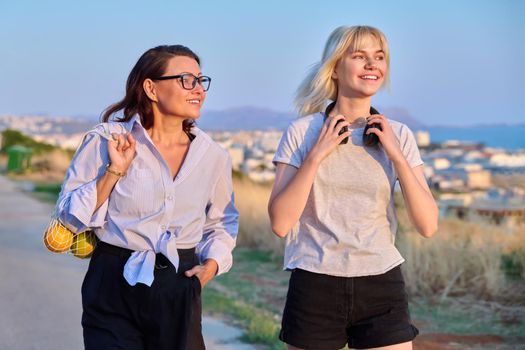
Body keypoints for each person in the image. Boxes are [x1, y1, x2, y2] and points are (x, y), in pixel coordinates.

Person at [55, 45, 239, 350]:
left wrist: (213, 265)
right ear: (151, 88)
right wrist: (114, 171)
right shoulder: (107, 139)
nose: (198, 90)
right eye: (186, 80)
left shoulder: (213, 156)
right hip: (113, 279)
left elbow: (222, 222)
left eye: (200, 80)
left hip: (179, 282)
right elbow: (68, 217)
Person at [268, 26, 438, 350]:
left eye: (379, 57)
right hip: (315, 281)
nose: (372, 65)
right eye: (359, 56)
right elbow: (279, 223)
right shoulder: (302, 132)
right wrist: (317, 154)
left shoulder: (397, 134)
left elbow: (428, 225)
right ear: (334, 67)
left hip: (381, 282)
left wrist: (398, 158)